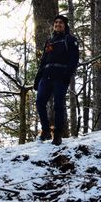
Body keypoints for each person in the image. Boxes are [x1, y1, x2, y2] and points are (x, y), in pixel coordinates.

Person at [34, 15, 79, 145]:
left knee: (58, 105)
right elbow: (43, 61)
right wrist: (38, 78)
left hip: (61, 77)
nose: (58, 24)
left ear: (65, 25)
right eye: (56, 22)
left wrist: (67, 74)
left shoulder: (70, 39)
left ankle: (58, 134)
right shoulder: (49, 41)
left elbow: (74, 59)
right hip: (46, 76)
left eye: (60, 22)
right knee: (39, 102)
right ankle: (46, 130)